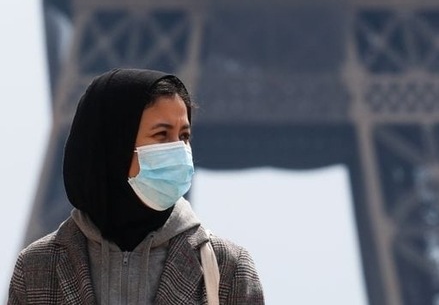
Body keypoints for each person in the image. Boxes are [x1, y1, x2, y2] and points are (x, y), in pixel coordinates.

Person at [8, 68, 264, 304]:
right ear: (113, 146)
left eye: (184, 136)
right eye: (161, 135)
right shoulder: (36, 268)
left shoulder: (227, 267)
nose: (179, 149)